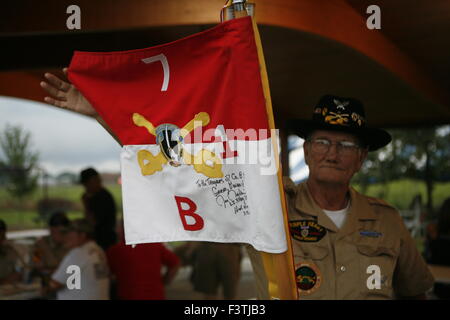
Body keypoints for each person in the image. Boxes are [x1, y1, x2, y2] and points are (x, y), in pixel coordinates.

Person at [106, 221, 180, 300]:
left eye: (118, 227)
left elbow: (107, 275)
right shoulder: (155, 245)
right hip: (156, 296)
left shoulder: (115, 250)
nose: (116, 230)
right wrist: (165, 281)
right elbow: (175, 263)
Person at [47, 218, 110, 300]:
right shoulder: (98, 250)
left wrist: (44, 289)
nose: (67, 236)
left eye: (70, 233)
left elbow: (55, 284)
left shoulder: (78, 253)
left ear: (82, 235)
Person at [79, 167, 117, 251]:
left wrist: (86, 203)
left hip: (104, 242)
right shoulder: (97, 195)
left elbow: (92, 222)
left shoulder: (102, 197)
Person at [32, 211, 70, 286]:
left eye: (65, 232)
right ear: (51, 230)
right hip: (48, 285)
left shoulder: (69, 244)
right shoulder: (39, 245)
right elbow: (38, 269)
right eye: (60, 232)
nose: (63, 236)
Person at [0, 220, 24, 285]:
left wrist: (18, 272)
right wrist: (4, 281)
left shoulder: (8, 250)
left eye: (2, 237)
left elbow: (19, 266)